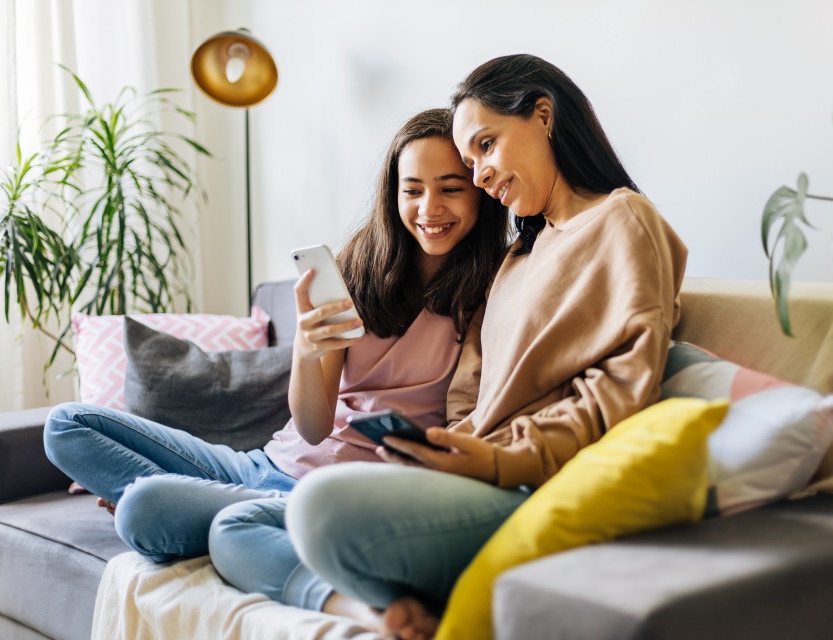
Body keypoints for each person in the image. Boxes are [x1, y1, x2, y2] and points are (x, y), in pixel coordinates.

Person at [283, 53, 689, 639]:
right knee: (247, 521)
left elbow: (621, 392)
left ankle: (380, 595)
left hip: (524, 481)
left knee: (315, 509)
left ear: (543, 116)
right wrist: (448, 445)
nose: (479, 178)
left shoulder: (622, 219)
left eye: (486, 147)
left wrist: (497, 459)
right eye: (470, 162)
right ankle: (388, 597)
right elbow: (471, 394)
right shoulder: (521, 255)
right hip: (468, 473)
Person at [42, 108, 509, 608]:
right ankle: (215, 507)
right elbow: (310, 427)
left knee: (139, 508)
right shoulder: (355, 268)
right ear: (392, 195)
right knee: (66, 425)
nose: (429, 208)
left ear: (480, 190)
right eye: (412, 189)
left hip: (332, 495)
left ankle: (213, 514)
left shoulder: (493, 291)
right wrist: (308, 350)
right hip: (261, 466)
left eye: (451, 188)